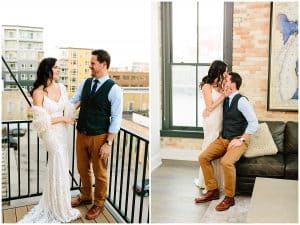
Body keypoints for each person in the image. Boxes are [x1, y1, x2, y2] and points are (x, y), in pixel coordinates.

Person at [19, 58, 80, 223]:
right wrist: (63, 119)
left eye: (59, 67)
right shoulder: (38, 92)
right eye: (56, 67)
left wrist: (80, 104)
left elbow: (67, 108)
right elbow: (41, 121)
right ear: (48, 69)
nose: (59, 70)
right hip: (50, 133)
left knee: (60, 165)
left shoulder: (62, 87)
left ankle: (59, 204)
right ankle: (58, 207)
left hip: (62, 132)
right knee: (58, 159)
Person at [70, 49, 123, 220]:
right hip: (82, 134)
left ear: (103, 64)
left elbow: (116, 118)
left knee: (100, 173)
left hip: (100, 137)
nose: (90, 66)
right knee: (82, 169)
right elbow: (73, 102)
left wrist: (108, 143)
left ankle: (99, 203)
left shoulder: (114, 89)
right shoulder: (85, 83)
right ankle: (86, 196)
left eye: (92, 63)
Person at [195, 72, 258, 211]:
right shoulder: (226, 98)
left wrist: (241, 139)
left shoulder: (241, 101)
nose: (224, 81)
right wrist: (207, 111)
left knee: (226, 162)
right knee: (203, 157)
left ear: (233, 83)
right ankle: (213, 191)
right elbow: (211, 103)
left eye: (226, 79)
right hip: (223, 139)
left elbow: (254, 123)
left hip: (238, 141)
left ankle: (229, 198)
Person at [194, 60, 228, 193]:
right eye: (225, 70)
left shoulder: (221, 85)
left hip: (220, 119)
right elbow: (210, 107)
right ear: (219, 71)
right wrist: (223, 96)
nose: (226, 72)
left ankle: (218, 181)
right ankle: (206, 182)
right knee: (209, 147)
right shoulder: (206, 86)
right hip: (211, 120)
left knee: (217, 149)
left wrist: (224, 91)